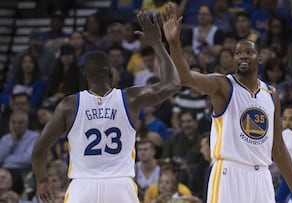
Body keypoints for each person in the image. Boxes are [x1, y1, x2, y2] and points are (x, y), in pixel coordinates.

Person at [31, 11, 181, 203]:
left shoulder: (69, 105)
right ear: (111, 73)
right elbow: (173, 84)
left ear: (84, 75)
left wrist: (42, 180)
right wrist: (157, 44)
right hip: (120, 187)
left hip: (83, 187)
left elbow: (39, 150)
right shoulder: (131, 99)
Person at [161, 3, 292, 203]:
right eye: (238, 53)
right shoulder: (223, 85)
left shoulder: (271, 94)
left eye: (249, 52)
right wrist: (174, 44)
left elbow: (278, 148)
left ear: (260, 59)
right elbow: (185, 77)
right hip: (229, 171)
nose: (243, 55)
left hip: (261, 175)